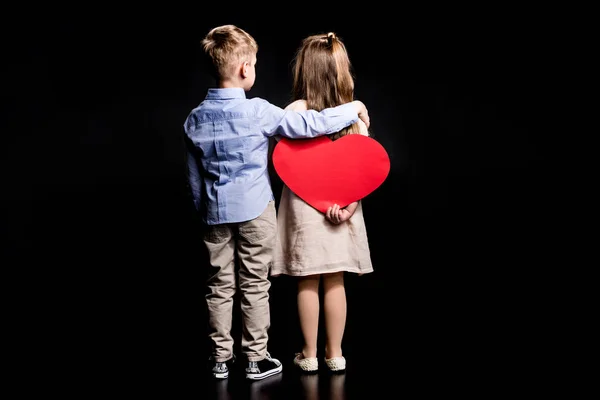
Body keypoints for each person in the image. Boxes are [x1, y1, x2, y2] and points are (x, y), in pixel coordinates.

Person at [183, 25, 371, 381]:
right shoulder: (259, 112)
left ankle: (221, 359)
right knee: (256, 283)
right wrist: (352, 110)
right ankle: (257, 358)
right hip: (256, 212)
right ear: (245, 68)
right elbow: (312, 126)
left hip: (215, 214)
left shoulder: (194, 119)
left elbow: (194, 179)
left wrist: (203, 209)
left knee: (218, 285)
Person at [271, 32, 374, 373]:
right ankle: (336, 353)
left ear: (304, 71)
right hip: (343, 209)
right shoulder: (354, 117)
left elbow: (283, 150)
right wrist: (347, 208)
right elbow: (364, 170)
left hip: (304, 210)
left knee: (307, 279)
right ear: (343, 72)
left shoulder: (295, 112)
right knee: (334, 279)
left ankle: (309, 354)